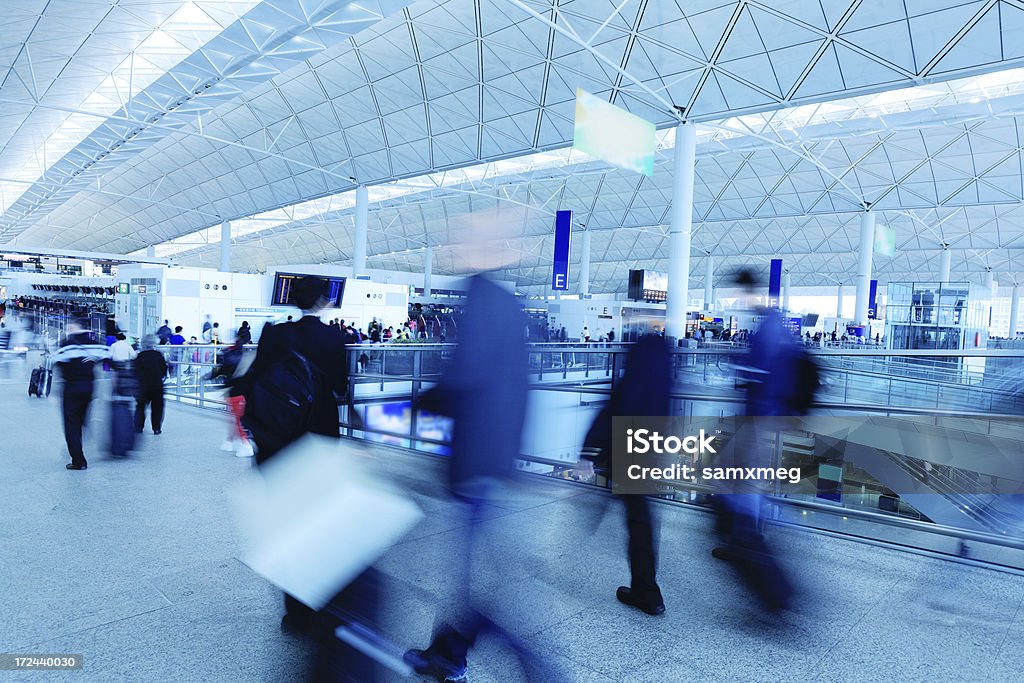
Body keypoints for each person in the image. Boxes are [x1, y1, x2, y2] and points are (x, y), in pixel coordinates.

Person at [404, 273, 531, 683]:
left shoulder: (481, 297)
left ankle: (532, 668)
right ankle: (445, 652)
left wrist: (419, 401)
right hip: (493, 459)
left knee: (481, 580)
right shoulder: (509, 307)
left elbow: (464, 375)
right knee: (473, 573)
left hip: (477, 461)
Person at [243, 276, 349, 635]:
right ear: (322, 301)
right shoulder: (333, 337)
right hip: (318, 439)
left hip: (276, 439)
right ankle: (322, 601)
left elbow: (254, 377)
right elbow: (340, 387)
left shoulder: (274, 334)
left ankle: (296, 612)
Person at [575, 336, 670, 616]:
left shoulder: (635, 377)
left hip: (630, 451)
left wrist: (589, 453)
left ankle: (647, 593)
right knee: (643, 522)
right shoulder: (663, 372)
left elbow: (614, 413)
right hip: (651, 449)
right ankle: (646, 590)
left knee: (638, 523)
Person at [51, 317, 110, 470]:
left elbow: (57, 362)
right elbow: (109, 358)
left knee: (71, 424)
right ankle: (83, 427)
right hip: (89, 387)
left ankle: (79, 461)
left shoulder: (67, 343)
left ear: (75, 325)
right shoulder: (95, 341)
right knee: (82, 419)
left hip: (71, 387)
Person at [210, 334, 252, 457]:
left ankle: (246, 445)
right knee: (234, 418)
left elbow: (222, 370)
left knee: (235, 419)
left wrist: (210, 377)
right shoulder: (247, 355)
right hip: (244, 391)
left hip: (233, 392)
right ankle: (229, 441)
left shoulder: (228, 354)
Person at [134, 335, 167, 434]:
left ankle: (138, 427)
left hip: (142, 386)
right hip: (157, 384)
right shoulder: (158, 355)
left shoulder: (140, 356)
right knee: (157, 407)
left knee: (140, 407)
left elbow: (135, 371)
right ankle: (156, 428)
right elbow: (164, 369)